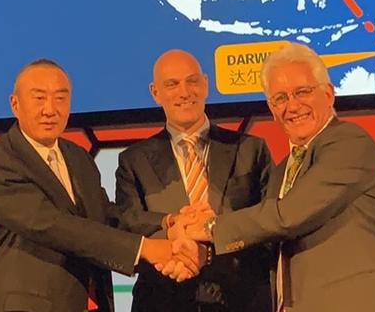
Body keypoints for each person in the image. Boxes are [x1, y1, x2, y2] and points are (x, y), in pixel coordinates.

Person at [175, 43, 375, 312]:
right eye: (280, 98)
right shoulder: (281, 172)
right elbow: (263, 241)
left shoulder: (350, 143)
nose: (292, 106)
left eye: (302, 92)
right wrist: (201, 253)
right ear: (271, 107)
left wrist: (211, 228)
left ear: (328, 94)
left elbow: (289, 215)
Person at [0, 59, 201, 312]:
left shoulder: (78, 157)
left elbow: (106, 216)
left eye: (60, 99)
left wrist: (167, 224)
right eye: (39, 98)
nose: (50, 109)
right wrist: (146, 249)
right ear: (15, 105)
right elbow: (52, 225)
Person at [115, 49, 273, 312]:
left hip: (242, 299)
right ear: (155, 93)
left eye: (192, 81)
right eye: (172, 84)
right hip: (162, 301)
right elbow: (128, 226)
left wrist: (209, 254)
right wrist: (177, 242)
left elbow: (269, 225)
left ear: (206, 85)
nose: (184, 92)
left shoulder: (251, 150)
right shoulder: (133, 161)